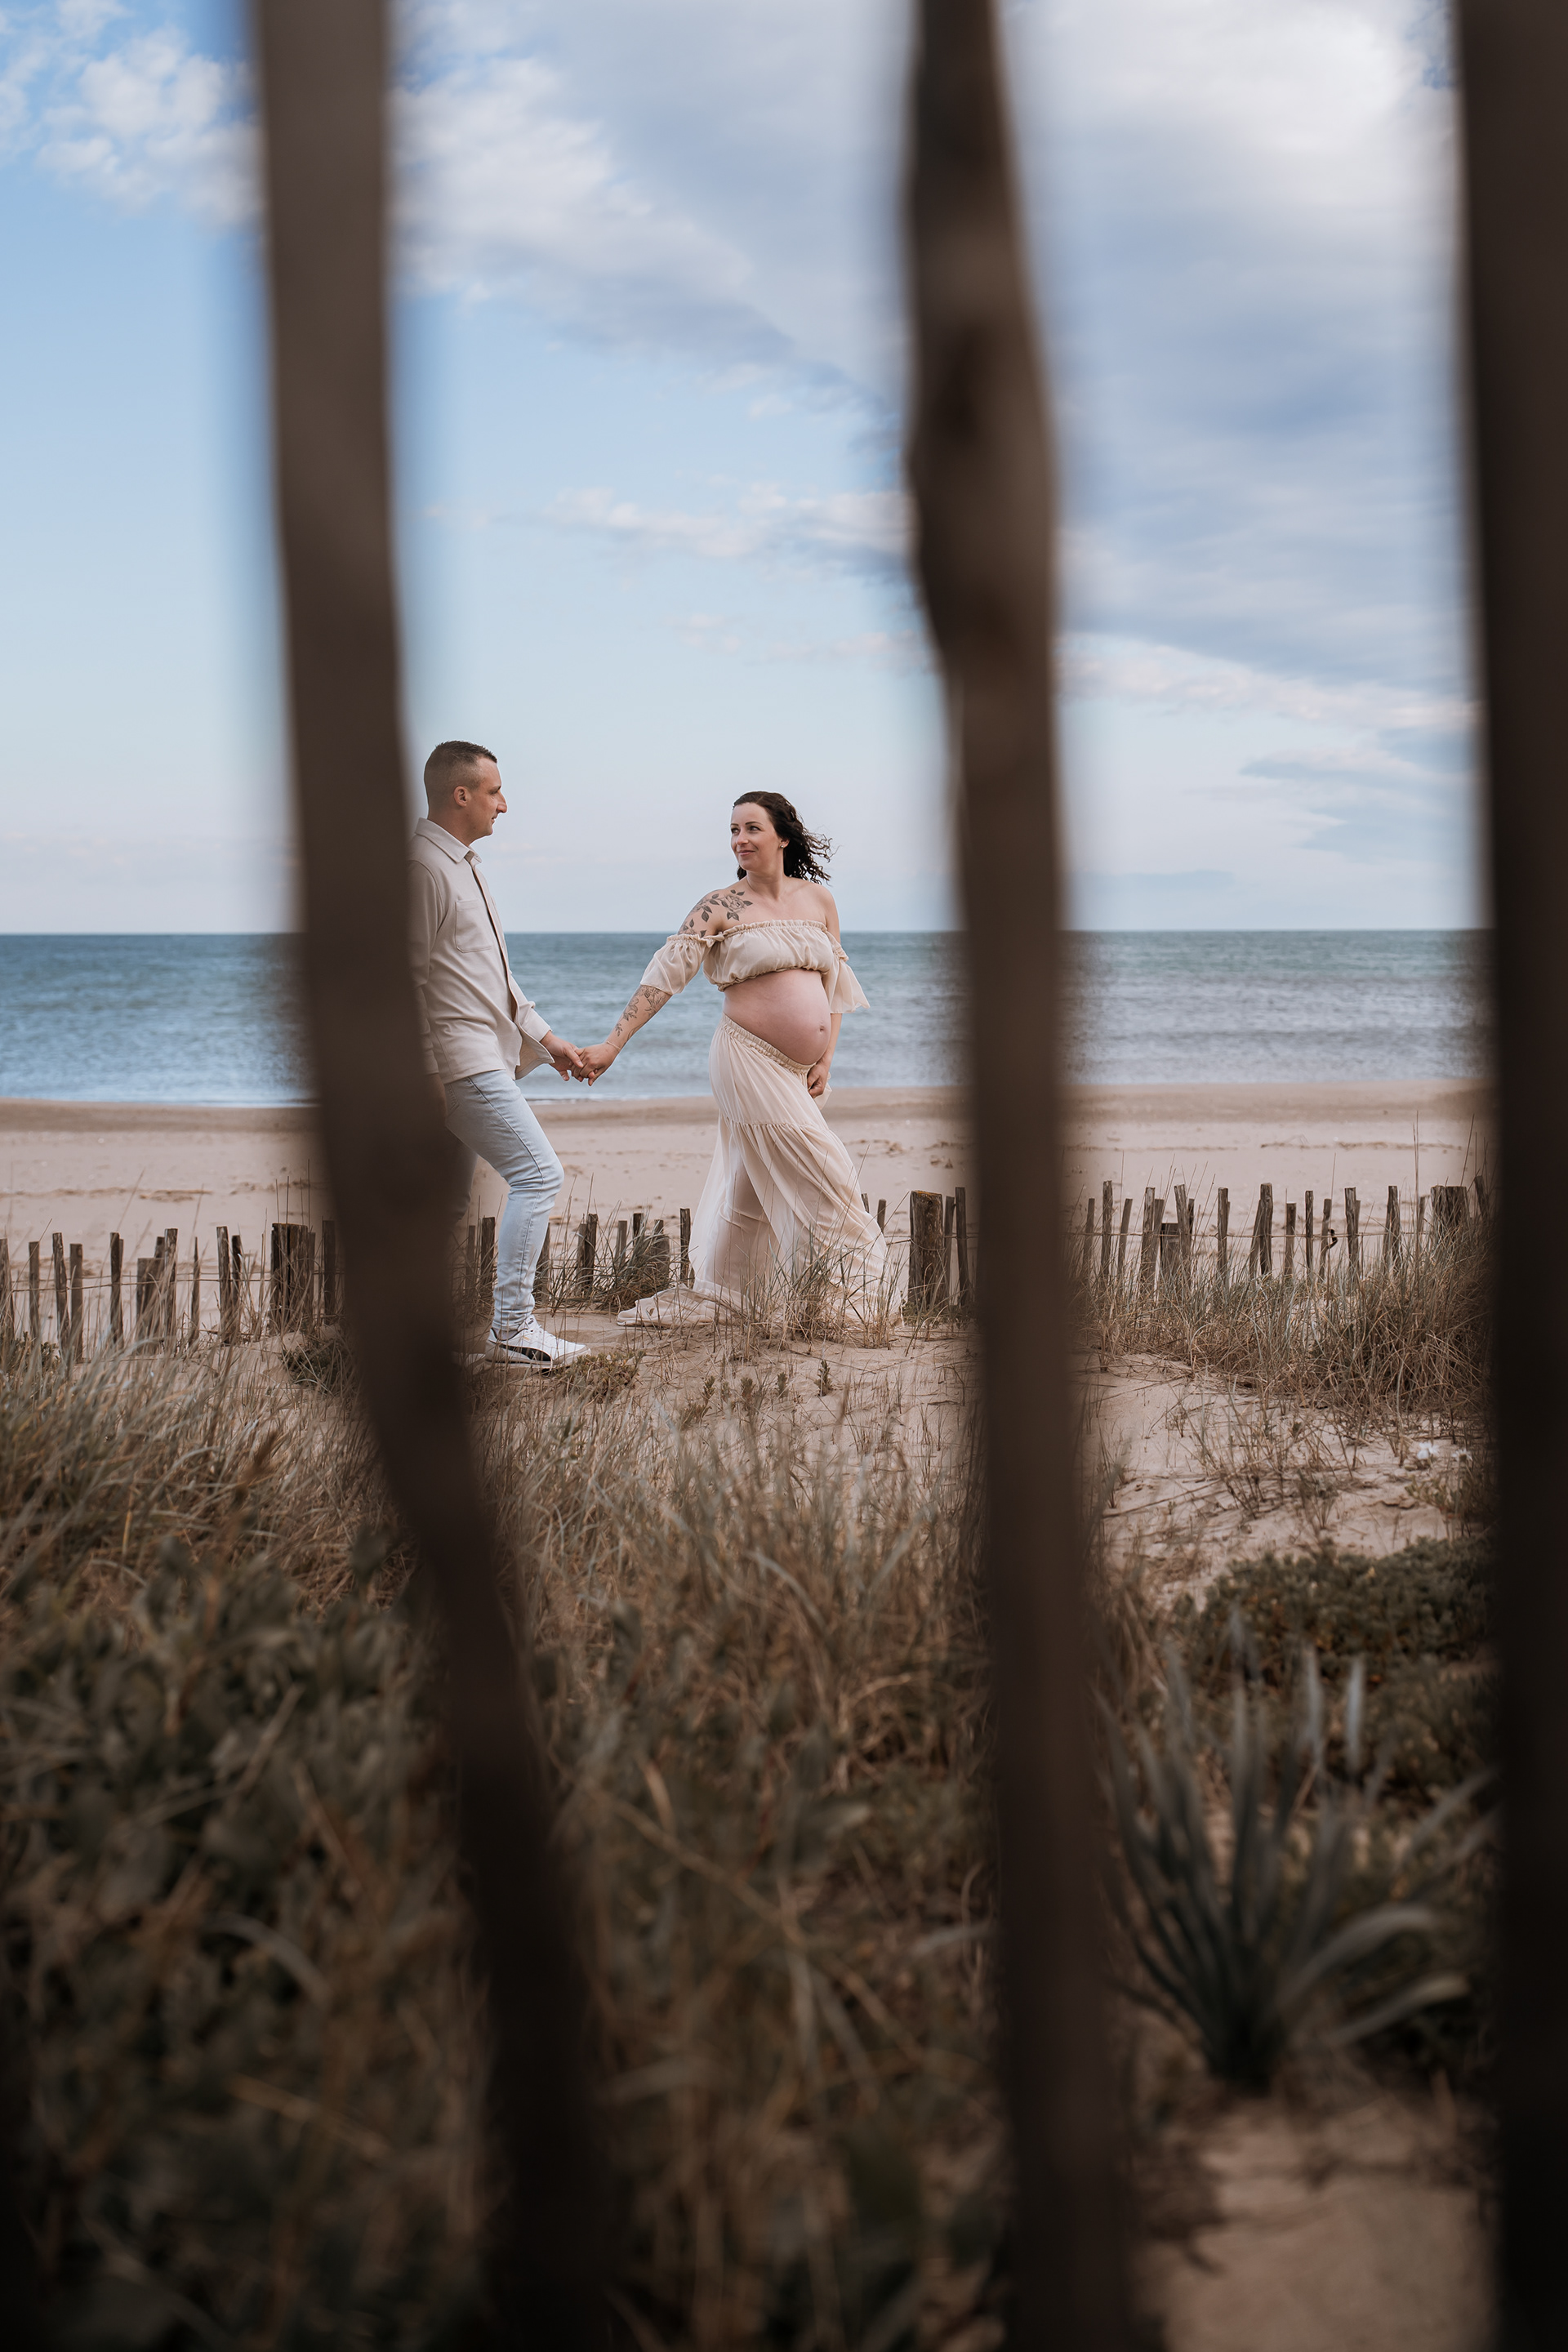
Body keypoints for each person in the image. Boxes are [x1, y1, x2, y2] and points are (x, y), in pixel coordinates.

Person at [577, 793, 888, 1322]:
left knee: (750, 1181)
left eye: (752, 828)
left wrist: (825, 1057)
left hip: (798, 1071)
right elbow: (663, 979)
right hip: (745, 1058)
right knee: (828, 1168)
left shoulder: (818, 901)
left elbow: (834, 986)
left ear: (783, 836)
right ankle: (853, 1299)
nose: (740, 839)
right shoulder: (718, 906)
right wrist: (612, 1043)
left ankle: (734, 1294)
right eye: (733, 830)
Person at [410, 739, 595, 1368]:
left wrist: (547, 1038)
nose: (504, 804)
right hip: (460, 1062)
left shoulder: (465, 864)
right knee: (539, 1175)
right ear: (460, 795)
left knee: (451, 1204)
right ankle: (513, 1328)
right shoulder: (423, 869)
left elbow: (494, 975)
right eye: (494, 792)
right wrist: (428, 1072)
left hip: (483, 1050)